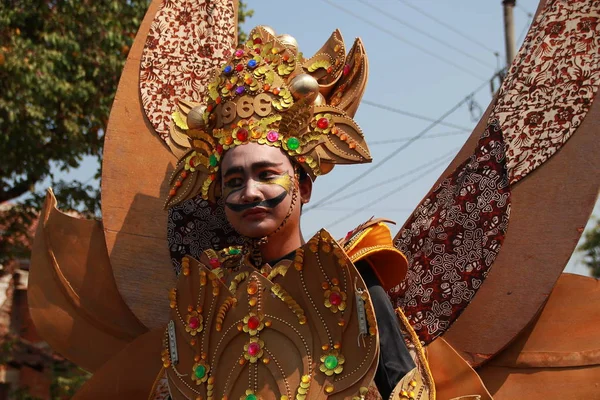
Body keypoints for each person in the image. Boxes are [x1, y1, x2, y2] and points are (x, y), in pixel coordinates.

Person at [159, 25, 421, 400]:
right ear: (218, 197)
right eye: (233, 181)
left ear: (305, 186)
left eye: (266, 175)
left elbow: (405, 391)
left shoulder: (351, 278)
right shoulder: (206, 294)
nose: (249, 192)